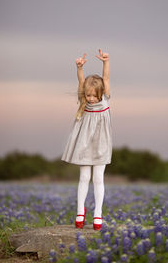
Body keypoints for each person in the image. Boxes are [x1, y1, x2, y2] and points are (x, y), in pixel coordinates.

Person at [61, 49, 113, 230]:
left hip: (102, 144)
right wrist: (79, 68)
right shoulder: (84, 99)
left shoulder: (105, 98)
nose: (90, 98)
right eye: (88, 95)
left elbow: (105, 79)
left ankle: (98, 213)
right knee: (84, 177)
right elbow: (81, 82)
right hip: (84, 143)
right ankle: (80, 212)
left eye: (93, 95)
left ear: (101, 93)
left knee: (98, 178)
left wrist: (105, 62)